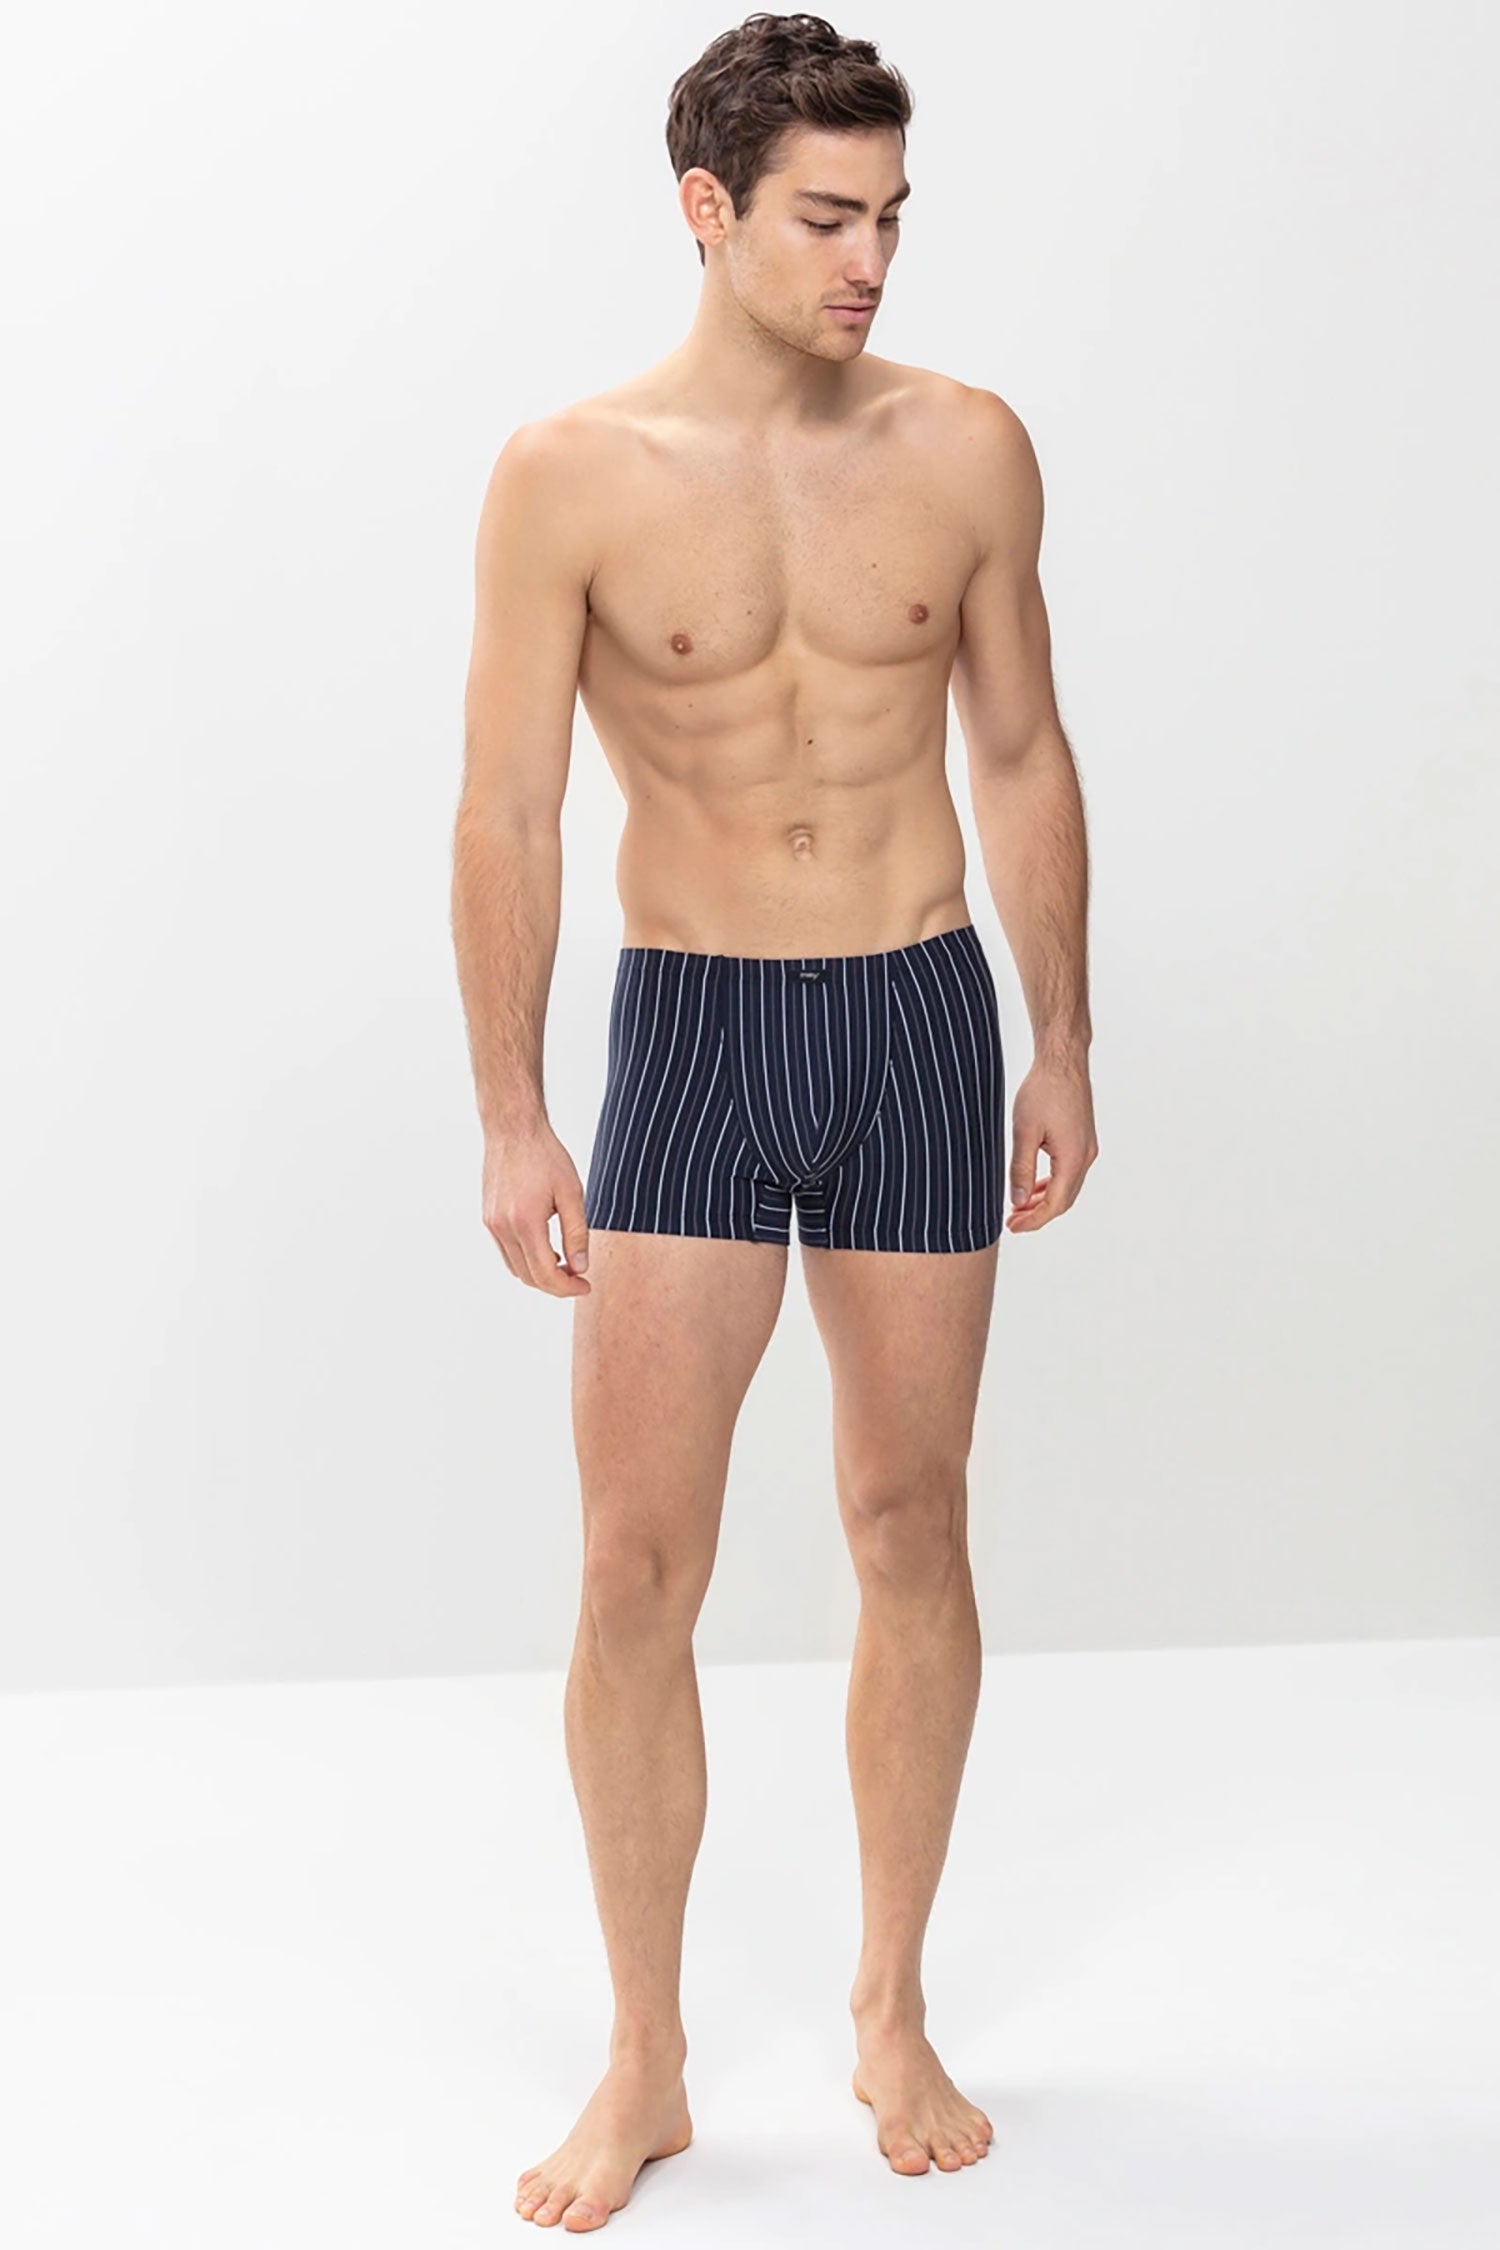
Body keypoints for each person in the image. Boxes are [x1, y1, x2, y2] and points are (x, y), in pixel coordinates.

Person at [451, 10, 1098, 2231]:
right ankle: (646, 2055)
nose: (872, 260)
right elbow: (509, 804)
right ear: (708, 210)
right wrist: (513, 1109)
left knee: (913, 1522)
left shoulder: (968, 448)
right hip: (697, 1033)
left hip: (917, 1013)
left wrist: (1062, 1036)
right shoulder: (567, 474)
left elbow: (1019, 749)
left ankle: (891, 2005)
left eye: (894, 216)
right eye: (829, 217)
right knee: (638, 1564)